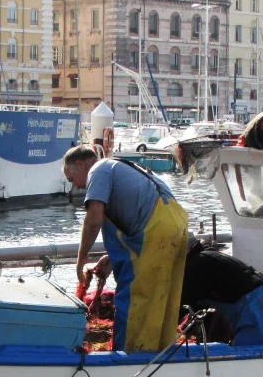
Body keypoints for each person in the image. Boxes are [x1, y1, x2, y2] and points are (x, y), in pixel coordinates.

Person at [63, 146, 187, 352]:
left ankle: (128, 356)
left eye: (71, 179)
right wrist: (111, 258)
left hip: (155, 232)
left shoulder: (98, 170)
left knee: (134, 299)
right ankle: (161, 351)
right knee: (163, 300)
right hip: (175, 227)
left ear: (80, 164)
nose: (75, 186)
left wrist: (81, 258)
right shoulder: (122, 167)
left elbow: (94, 217)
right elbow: (136, 212)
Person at [181, 240, 263, 346]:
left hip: (257, 306)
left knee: (244, 355)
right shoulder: (210, 256)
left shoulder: (193, 265)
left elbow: (180, 306)